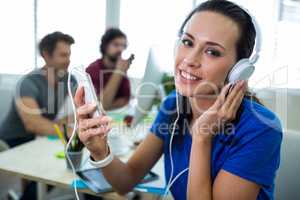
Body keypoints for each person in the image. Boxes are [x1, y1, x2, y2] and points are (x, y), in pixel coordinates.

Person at [74, 1, 282, 200]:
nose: (190, 59)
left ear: (239, 70)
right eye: (187, 42)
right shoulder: (174, 106)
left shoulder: (260, 128)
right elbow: (126, 181)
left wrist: (201, 138)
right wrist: (100, 150)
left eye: (212, 51)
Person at [86, 28, 133, 111]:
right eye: (116, 44)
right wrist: (118, 72)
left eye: (123, 46)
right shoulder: (92, 70)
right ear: (105, 46)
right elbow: (101, 105)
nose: (120, 49)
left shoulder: (122, 68)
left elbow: (125, 100)